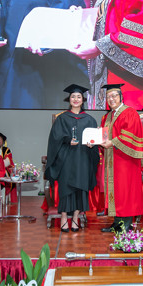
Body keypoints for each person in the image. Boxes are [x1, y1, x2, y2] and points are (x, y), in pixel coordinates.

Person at [45, 84, 100, 232]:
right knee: (66, 188)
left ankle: (76, 217)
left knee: (81, 189)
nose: (76, 99)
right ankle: (64, 216)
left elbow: (96, 142)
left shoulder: (90, 120)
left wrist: (92, 144)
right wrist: (67, 140)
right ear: (69, 100)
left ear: (83, 100)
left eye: (79, 97)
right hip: (66, 158)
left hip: (83, 158)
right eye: (73, 97)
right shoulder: (62, 118)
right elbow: (54, 139)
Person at [96, 84, 143, 232]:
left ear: (121, 97)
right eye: (108, 97)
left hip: (126, 159)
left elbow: (129, 135)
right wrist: (98, 136)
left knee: (125, 191)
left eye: (114, 96)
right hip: (112, 159)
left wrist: (112, 142)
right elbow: (105, 134)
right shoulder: (107, 116)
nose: (111, 99)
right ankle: (117, 223)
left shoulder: (130, 112)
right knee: (115, 191)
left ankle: (127, 224)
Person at [0, 132, 17, 202]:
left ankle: (1, 197)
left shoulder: (6, 150)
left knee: (6, 176)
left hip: (4, 169)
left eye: (0, 139)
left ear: (3, 141)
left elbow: (8, 161)